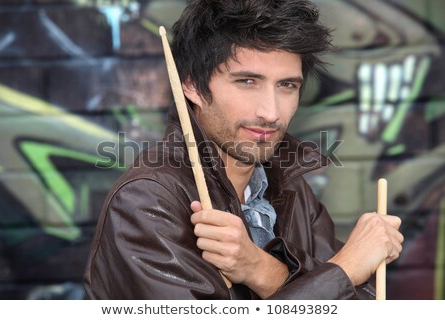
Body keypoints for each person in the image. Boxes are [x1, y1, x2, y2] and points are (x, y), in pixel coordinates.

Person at [84, 0, 403, 299]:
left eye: (287, 85)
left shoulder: (290, 188)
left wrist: (263, 271)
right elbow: (341, 286)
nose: (271, 112)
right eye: (247, 82)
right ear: (192, 84)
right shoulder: (148, 200)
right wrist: (345, 269)